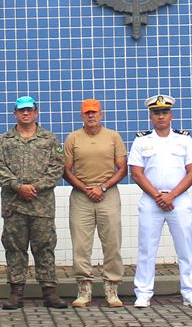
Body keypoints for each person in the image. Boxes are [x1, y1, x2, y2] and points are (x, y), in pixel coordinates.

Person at [0, 96, 67, 310]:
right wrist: (17, 186)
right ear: (15, 114)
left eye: (29, 110)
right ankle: (16, 293)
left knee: (44, 248)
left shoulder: (49, 139)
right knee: (15, 248)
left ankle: (50, 292)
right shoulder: (5, 140)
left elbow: (57, 167)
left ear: (36, 113)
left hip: (41, 205)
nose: (25, 114)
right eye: (21, 110)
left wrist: (36, 187)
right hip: (14, 205)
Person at [128, 94, 192, 309]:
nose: (160, 116)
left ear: (170, 115)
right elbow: (136, 173)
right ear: (150, 116)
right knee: (146, 249)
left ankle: (190, 293)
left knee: (186, 248)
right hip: (151, 201)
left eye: (164, 112)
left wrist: (171, 196)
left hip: (178, 200)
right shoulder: (142, 140)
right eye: (156, 113)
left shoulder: (184, 139)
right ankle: (143, 293)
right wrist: (158, 196)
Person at [62, 98, 127, 308]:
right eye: (87, 113)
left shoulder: (113, 137)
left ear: (101, 114)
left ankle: (112, 289)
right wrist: (85, 188)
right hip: (82, 196)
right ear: (82, 116)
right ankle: (84, 290)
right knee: (81, 244)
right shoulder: (73, 138)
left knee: (112, 242)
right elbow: (66, 170)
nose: (91, 116)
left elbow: (122, 168)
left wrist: (103, 187)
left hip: (108, 194)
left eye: (94, 112)